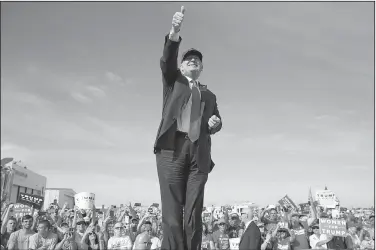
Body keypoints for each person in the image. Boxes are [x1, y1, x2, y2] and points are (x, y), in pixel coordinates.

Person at [154, 5, 222, 250]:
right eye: (188, 59)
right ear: (181, 67)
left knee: (193, 214)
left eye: (198, 60)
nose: (193, 60)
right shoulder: (174, 82)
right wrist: (174, 31)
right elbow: (167, 59)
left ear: (201, 68)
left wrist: (215, 124)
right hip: (172, 149)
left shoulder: (210, 95)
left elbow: (216, 120)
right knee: (172, 214)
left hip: (198, 152)